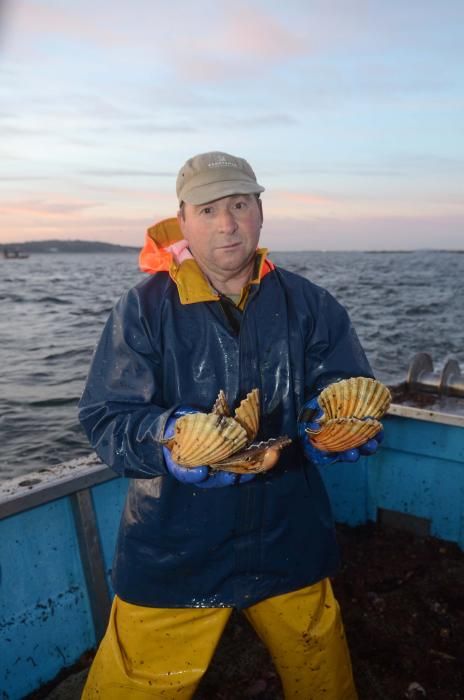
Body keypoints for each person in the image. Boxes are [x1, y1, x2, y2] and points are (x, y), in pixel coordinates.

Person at [79, 151, 382, 699]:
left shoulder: (310, 305)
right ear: (182, 219)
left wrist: (335, 428)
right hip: (173, 541)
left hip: (289, 531)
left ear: (260, 211)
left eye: (240, 204)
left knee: (322, 667)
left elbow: (343, 383)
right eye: (209, 208)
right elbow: (107, 416)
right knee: (139, 681)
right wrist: (170, 442)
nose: (227, 223)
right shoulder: (143, 309)